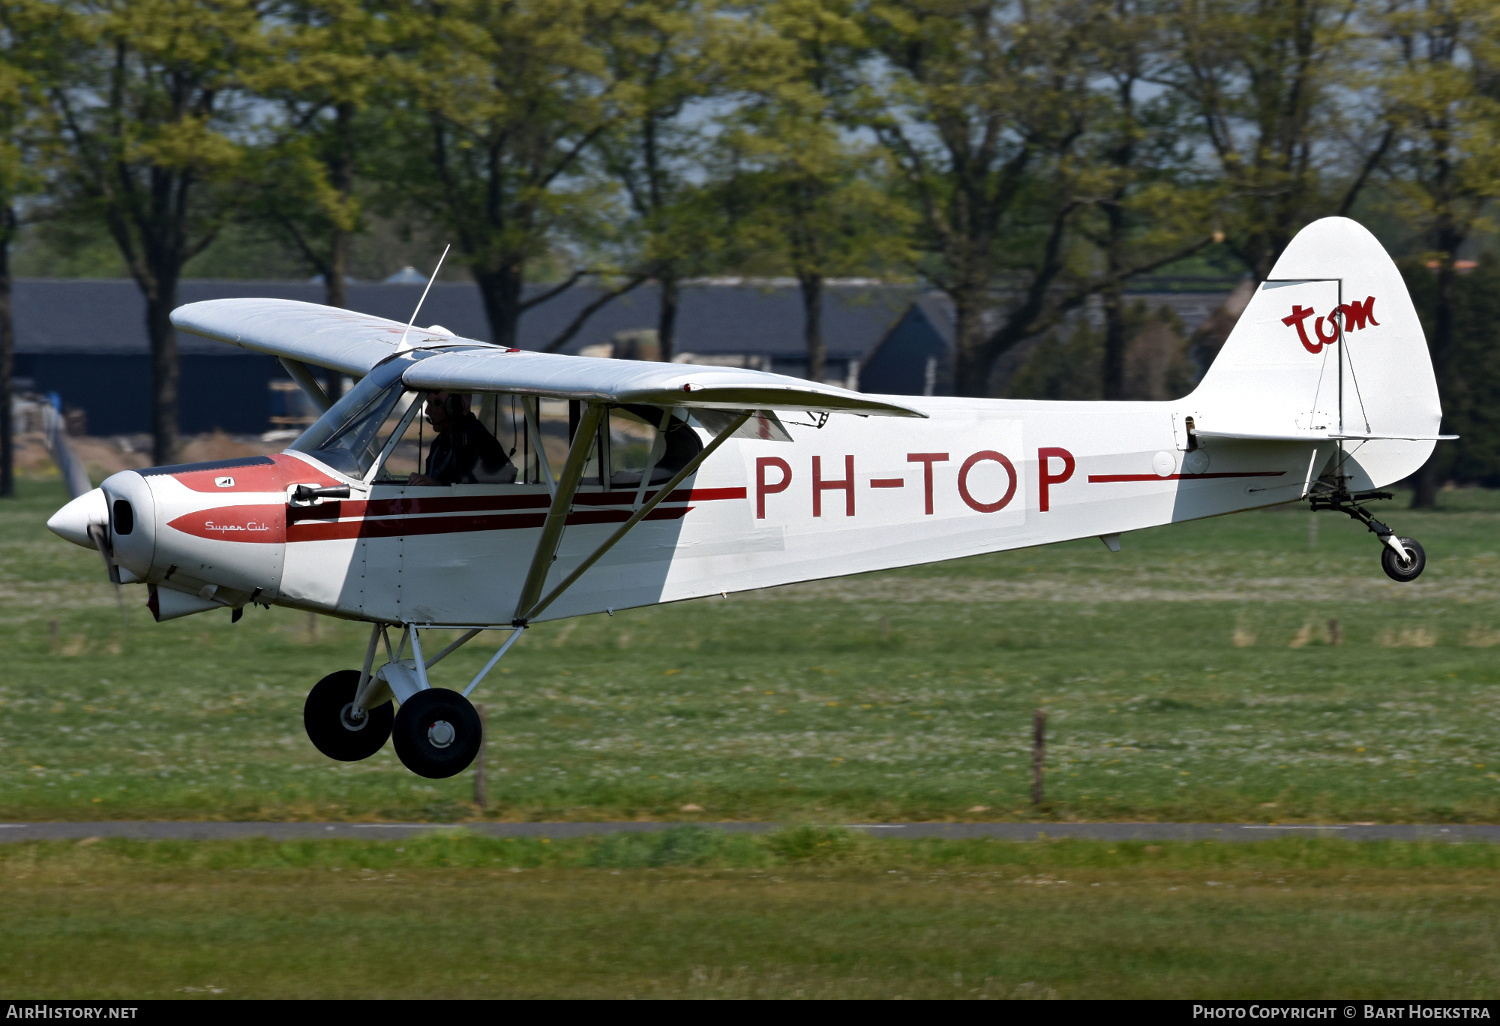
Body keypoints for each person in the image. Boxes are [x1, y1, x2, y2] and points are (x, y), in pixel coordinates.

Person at [407, 391, 516, 486]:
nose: (427, 410)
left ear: (456, 407)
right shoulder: (441, 441)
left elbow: (484, 493)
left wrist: (438, 485)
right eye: (428, 403)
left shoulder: (478, 441)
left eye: (436, 403)